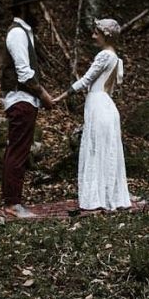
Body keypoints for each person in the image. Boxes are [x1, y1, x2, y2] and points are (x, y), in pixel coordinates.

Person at [53, 18, 131, 212]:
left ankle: (97, 198)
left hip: (99, 105)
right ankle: (106, 196)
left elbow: (86, 79)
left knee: (97, 149)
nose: (93, 36)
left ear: (106, 36)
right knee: (105, 148)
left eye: (97, 33)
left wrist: (60, 96)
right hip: (105, 105)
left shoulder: (105, 56)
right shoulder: (115, 58)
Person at [1, 0, 54, 218]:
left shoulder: (25, 32)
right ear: (23, 8)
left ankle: (13, 200)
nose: (37, 11)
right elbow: (24, 73)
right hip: (21, 99)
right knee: (18, 151)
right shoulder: (17, 33)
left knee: (19, 150)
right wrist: (44, 95)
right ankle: (12, 203)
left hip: (25, 99)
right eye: (33, 6)